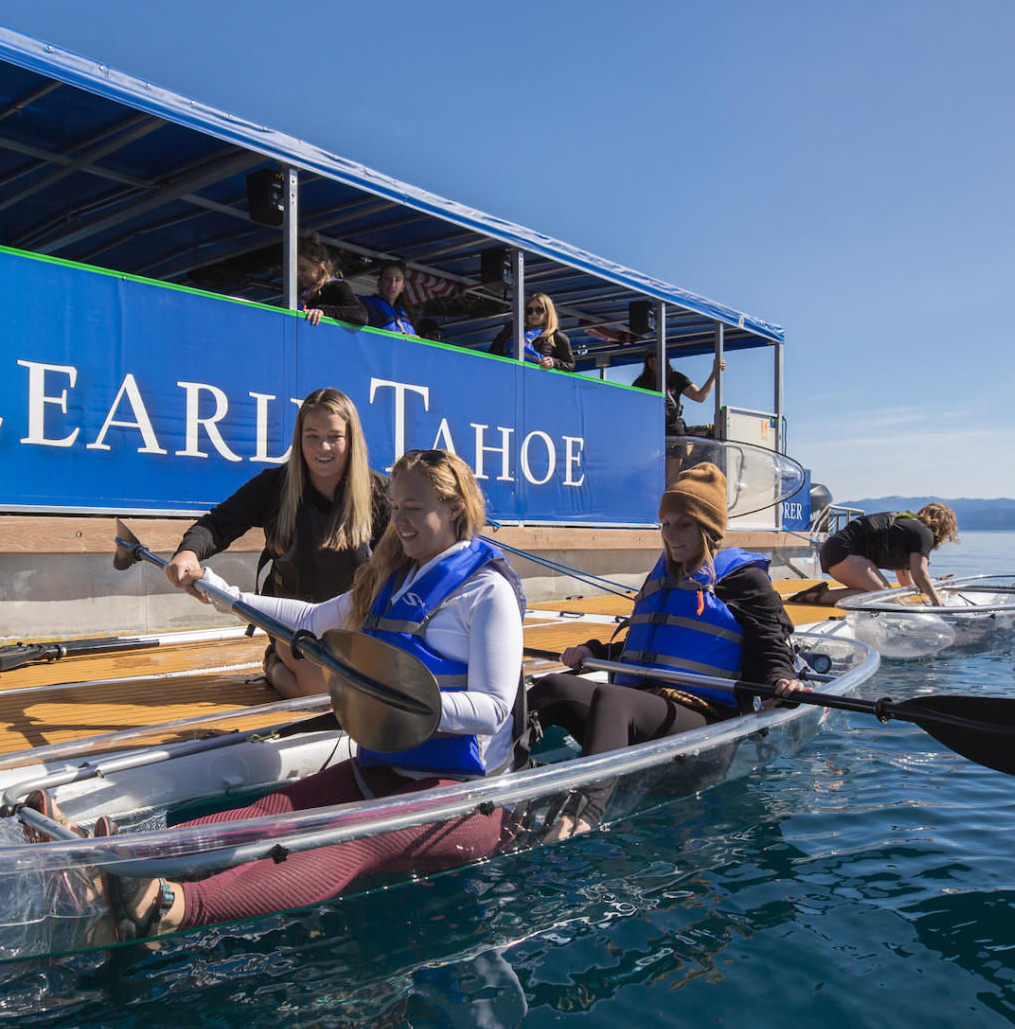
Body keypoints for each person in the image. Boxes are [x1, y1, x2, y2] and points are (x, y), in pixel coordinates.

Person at [54, 448, 525, 940]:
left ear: (454, 509)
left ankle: (168, 910)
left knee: (345, 843)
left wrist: (391, 703)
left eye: (414, 508)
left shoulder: (486, 591)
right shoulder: (392, 577)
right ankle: (118, 863)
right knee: (272, 810)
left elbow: (494, 709)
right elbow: (307, 618)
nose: (400, 521)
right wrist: (220, 591)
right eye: (397, 506)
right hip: (387, 769)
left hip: (466, 800)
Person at [527, 463, 806, 841]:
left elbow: (769, 646)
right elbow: (649, 646)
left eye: (684, 525)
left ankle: (580, 819)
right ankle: (497, 779)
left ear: (708, 529)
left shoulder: (742, 579)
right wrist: (594, 649)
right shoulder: (666, 575)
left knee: (612, 698)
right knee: (553, 688)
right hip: (643, 711)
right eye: (666, 523)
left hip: (704, 726)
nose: (671, 535)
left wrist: (780, 681)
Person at [167, 388, 389, 697]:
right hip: (291, 625)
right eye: (311, 436)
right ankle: (273, 662)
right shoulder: (273, 487)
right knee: (321, 693)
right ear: (299, 440)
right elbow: (218, 523)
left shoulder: (381, 493)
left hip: (355, 624)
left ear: (352, 440)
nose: (322, 447)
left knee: (373, 689)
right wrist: (188, 552)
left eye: (334, 436)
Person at [794, 504, 959, 606]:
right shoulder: (924, 533)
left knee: (881, 595)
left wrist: (934, 583)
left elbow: (907, 585)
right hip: (844, 551)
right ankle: (814, 597)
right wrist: (936, 600)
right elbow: (920, 573)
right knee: (885, 598)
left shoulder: (908, 530)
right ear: (944, 529)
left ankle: (816, 595)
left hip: (835, 549)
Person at [632, 348, 724, 438]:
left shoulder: (675, 377)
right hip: (650, 429)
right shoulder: (640, 383)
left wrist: (714, 374)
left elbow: (699, 397)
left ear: (665, 359)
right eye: (650, 356)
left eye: (657, 355)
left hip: (674, 428)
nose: (654, 359)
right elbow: (630, 406)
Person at [296, 232, 368, 327]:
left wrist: (323, 311)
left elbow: (360, 314)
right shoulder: (299, 294)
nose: (298, 274)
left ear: (320, 266)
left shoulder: (335, 287)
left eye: (303, 269)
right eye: (294, 269)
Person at [487, 292, 574, 370]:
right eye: (530, 311)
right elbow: (494, 351)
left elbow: (571, 364)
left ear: (548, 313)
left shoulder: (557, 337)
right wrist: (512, 323)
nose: (534, 314)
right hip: (510, 376)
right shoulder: (517, 332)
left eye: (539, 310)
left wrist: (554, 362)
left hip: (537, 381)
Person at [360, 262, 418, 335]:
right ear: (379, 283)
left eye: (397, 280)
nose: (392, 284)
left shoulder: (405, 313)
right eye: (387, 278)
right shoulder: (366, 305)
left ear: (402, 287)